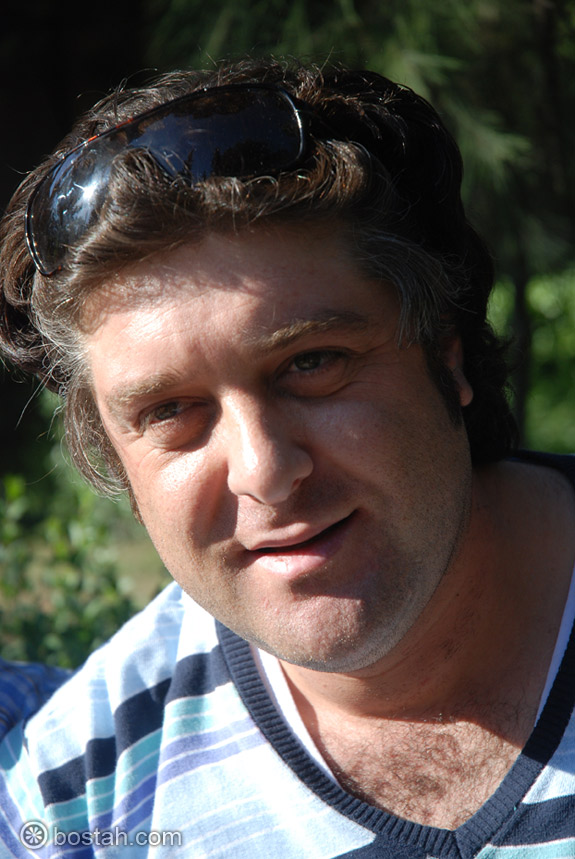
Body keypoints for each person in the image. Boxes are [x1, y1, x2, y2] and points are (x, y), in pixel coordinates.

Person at [0, 57, 574, 858]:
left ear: (444, 354)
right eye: (169, 411)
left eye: (312, 363)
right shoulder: (74, 804)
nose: (264, 471)